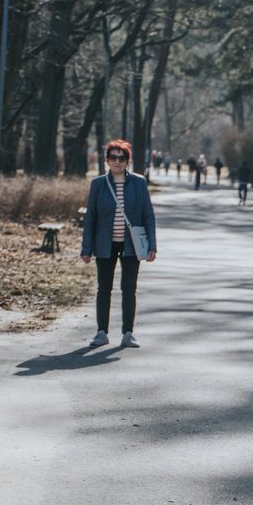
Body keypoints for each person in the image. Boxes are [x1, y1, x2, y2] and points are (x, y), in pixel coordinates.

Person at [80, 140, 157, 349]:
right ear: (106, 160)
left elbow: (148, 216)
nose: (117, 162)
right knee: (103, 289)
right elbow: (91, 219)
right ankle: (101, 332)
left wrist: (152, 246)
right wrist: (86, 248)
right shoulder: (98, 184)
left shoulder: (139, 183)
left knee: (129, 289)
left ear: (127, 161)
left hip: (131, 245)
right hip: (105, 244)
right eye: (112, 158)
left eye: (121, 158)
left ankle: (128, 333)